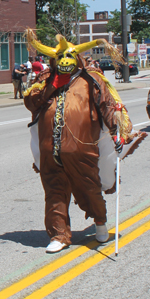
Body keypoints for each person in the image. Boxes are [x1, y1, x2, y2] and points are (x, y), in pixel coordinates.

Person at [23, 29, 147, 253]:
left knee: (90, 188)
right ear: (53, 60)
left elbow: (108, 106)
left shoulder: (91, 79)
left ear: (77, 58)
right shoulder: (44, 81)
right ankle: (59, 234)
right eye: (59, 57)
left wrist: (117, 132)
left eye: (69, 56)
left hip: (82, 149)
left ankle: (100, 222)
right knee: (53, 192)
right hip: (50, 151)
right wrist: (52, 84)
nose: (64, 60)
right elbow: (31, 103)